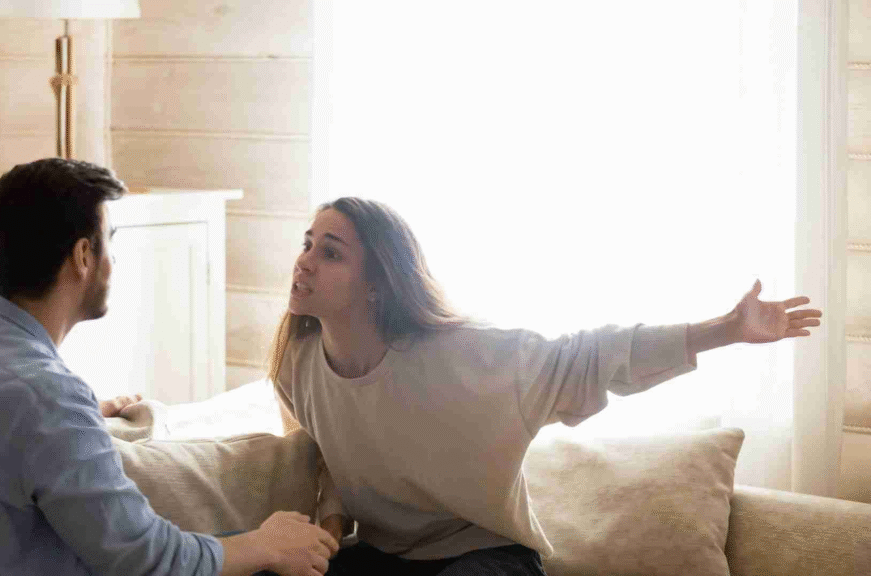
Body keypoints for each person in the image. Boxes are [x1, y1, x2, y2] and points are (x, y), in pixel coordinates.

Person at [266, 197, 823, 576]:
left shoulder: (465, 357)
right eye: (307, 243)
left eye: (330, 252)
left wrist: (727, 328)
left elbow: (594, 355)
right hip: (384, 556)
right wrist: (328, 533)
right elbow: (326, 456)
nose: (304, 262)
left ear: (377, 285)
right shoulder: (298, 363)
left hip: (487, 555)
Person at [0, 158, 338, 576]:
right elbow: (147, 559)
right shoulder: (44, 396)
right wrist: (264, 545)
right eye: (110, 241)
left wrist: (80, 415)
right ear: (83, 256)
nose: (113, 260)